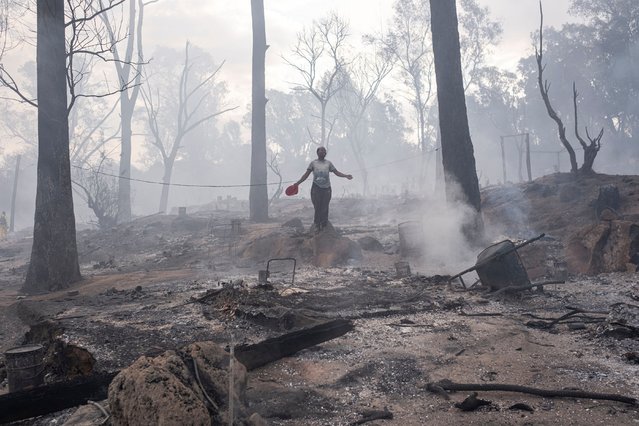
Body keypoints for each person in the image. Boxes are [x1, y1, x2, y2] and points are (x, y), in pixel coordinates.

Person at [295, 146, 353, 232]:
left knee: (325, 207)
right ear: (317, 152)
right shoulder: (313, 163)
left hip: (327, 188)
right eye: (321, 151)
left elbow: (336, 172)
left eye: (324, 151)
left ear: (325, 153)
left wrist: (346, 176)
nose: (323, 152)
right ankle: (317, 225)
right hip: (316, 188)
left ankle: (324, 225)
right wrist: (297, 183)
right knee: (317, 207)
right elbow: (306, 175)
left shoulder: (328, 163)